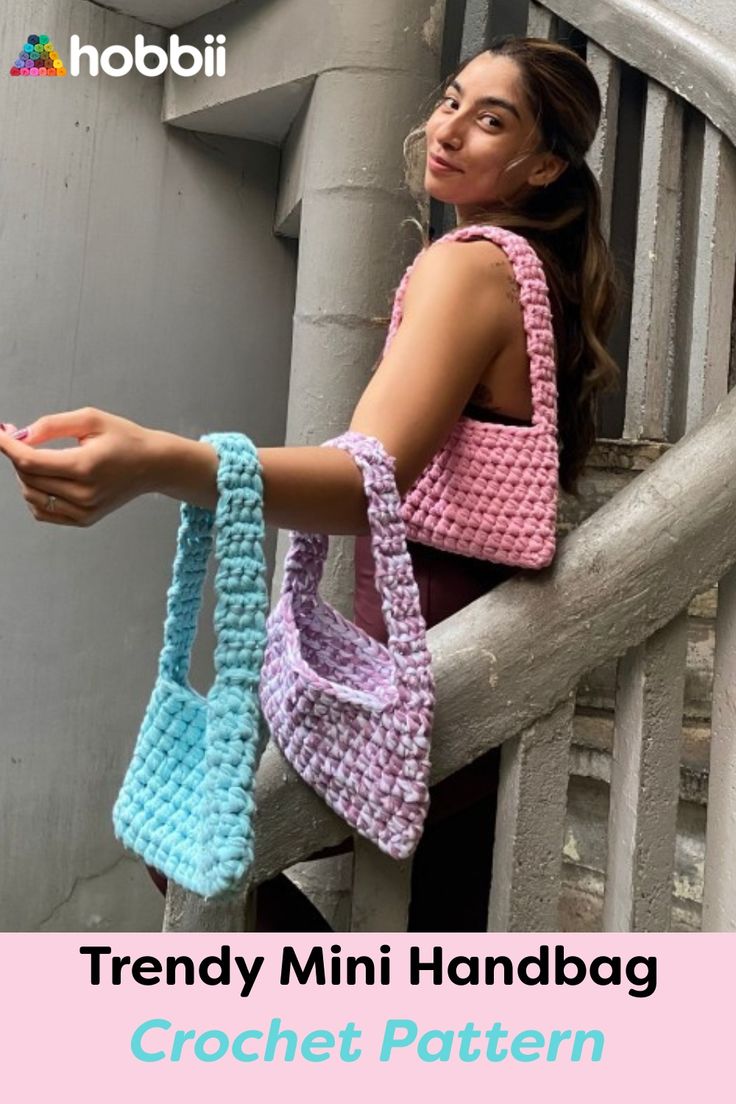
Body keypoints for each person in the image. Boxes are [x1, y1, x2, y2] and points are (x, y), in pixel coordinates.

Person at [0, 36, 620, 930]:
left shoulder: (471, 266)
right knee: (439, 916)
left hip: (419, 661)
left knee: (184, 829)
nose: (449, 128)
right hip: (473, 649)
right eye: (451, 100)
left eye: (493, 120)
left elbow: (364, 477)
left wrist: (159, 459)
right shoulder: (540, 277)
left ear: (546, 164)